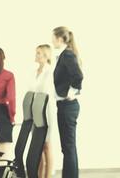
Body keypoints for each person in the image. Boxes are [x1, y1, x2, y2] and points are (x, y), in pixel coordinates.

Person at [52, 26, 83, 178]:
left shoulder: (67, 55)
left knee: (69, 147)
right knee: (68, 147)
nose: (51, 41)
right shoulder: (64, 55)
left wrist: (71, 92)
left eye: (53, 38)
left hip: (68, 106)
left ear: (59, 38)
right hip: (65, 106)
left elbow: (78, 76)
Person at [29, 44, 55, 178]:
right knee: (37, 146)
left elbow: (46, 92)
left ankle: (48, 176)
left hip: (45, 112)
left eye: (38, 53)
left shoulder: (49, 71)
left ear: (45, 56)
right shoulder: (35, 71)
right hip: (35, 112)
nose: (36, 55)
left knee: (46, 145)